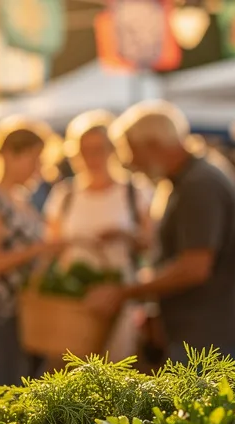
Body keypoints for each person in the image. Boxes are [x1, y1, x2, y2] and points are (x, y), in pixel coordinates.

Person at [86, 102, 235, 364]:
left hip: (209, 337)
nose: (129, 163)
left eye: (130, 151)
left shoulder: (199, 185)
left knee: (202, 405)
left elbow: (194, 267)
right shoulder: (188, 180)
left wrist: (127, 291)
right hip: (203, 331)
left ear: (154, 144)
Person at [0, 118, 65, 388]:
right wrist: (39, 249)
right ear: (10, 155)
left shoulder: (20, 200)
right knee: (6, 392)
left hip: (25, 313)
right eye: (35, 159)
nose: (39, 169)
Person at [44, 111, 154, 360]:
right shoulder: (65, 194)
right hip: (72, 298)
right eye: (85, 150)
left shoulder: (135, 191)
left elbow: (152, 245)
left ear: (113, 150)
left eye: (99, 149)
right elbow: (51, 246)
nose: (92, 157)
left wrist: (126, 236)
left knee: (118, 365)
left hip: (121, 296)